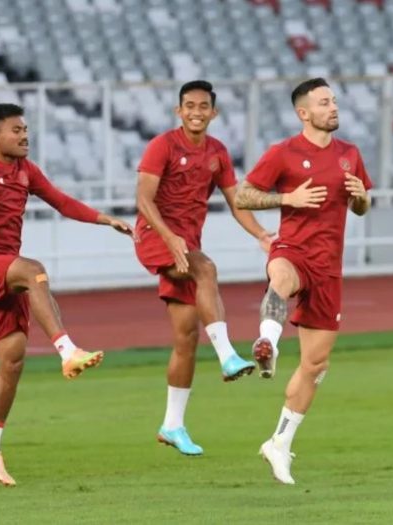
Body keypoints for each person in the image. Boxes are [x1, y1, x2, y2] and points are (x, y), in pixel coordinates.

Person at [0, 103, 133, 487]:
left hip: (7, 273)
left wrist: (105, 219)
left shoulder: (25, 171)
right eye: (16, 130)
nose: (24, 135)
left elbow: (61, 201)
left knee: (12, 360)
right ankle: (68, 351)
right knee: (34, 271)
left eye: (25, 129)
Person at [235, 78, 372, 484]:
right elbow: (243, 195)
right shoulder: (283, 153)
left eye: (333, 100)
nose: (333, 107)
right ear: (303, 113)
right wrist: (286, 199)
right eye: (324, 102)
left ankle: (279, 443)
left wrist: (362, 195)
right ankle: (268, 344)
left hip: (330, 268)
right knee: (279, 277)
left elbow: (361, 208)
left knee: (315, 364)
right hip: (293, 252)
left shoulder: (350, 154)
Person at [135, 80, 273, 456]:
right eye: (189, 106)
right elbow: (143, 198)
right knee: (207, 269)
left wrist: (261, 234)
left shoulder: (217, 152)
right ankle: (228, 355)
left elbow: (236, 200)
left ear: (214, 112)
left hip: (186, 245)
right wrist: (169, 237)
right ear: (179, 111)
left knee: (186, 337)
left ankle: (172, 425)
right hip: (155, 236)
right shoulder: (162, 145)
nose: (196, 112)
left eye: (203, 106)